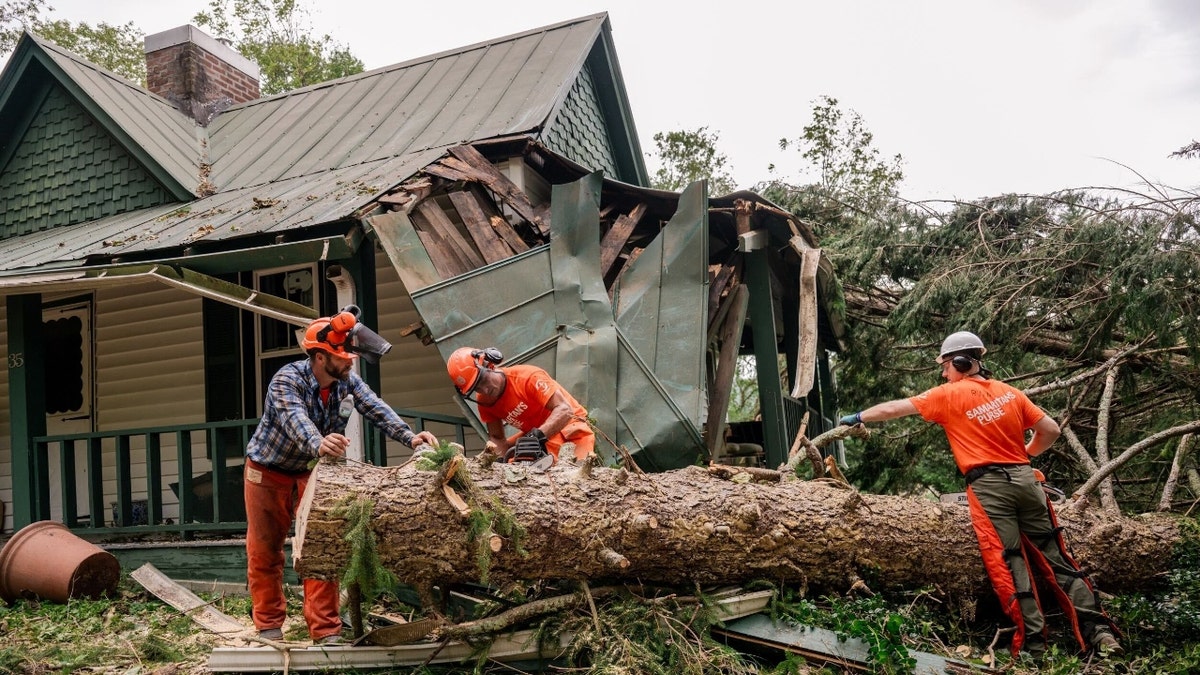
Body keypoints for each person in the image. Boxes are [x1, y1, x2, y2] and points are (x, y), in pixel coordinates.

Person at [838, 331, 1121, 659]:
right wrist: (1025, 455)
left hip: (989, 487)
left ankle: (1034, 648)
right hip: (1027, 481)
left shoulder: (947, 394)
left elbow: (893, 409)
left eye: (946, 366)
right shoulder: (1010, 393)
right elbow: (1052, 430)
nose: (944, 373)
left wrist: (858, 417)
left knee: (1011, 561)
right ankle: (1100, 634)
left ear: (959, 363)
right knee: (1058, 558)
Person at [244, 307, 438, 644]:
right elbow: (295, 420)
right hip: (267, 471)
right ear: (320, 357)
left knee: (323, 549)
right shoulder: (287, 379)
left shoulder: (347, 380)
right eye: (341, 354)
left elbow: (375, 406)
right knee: (265, 550)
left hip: (313, 472)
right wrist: (319, 442)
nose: (349, 360)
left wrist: (409, 437)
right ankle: (269, 625)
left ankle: (325, 631)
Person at [446, 347, 594, 464]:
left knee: (570, 473)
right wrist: (497, 463)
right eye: (476, 388)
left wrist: (536, 437)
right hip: (536, 434)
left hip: (568, 426)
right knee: (513, 465)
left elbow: (564, 410)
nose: (485, 390)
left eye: (483, 380)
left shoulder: (527, 377)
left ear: (489, 364)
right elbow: (497, 438)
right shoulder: (485, 401)